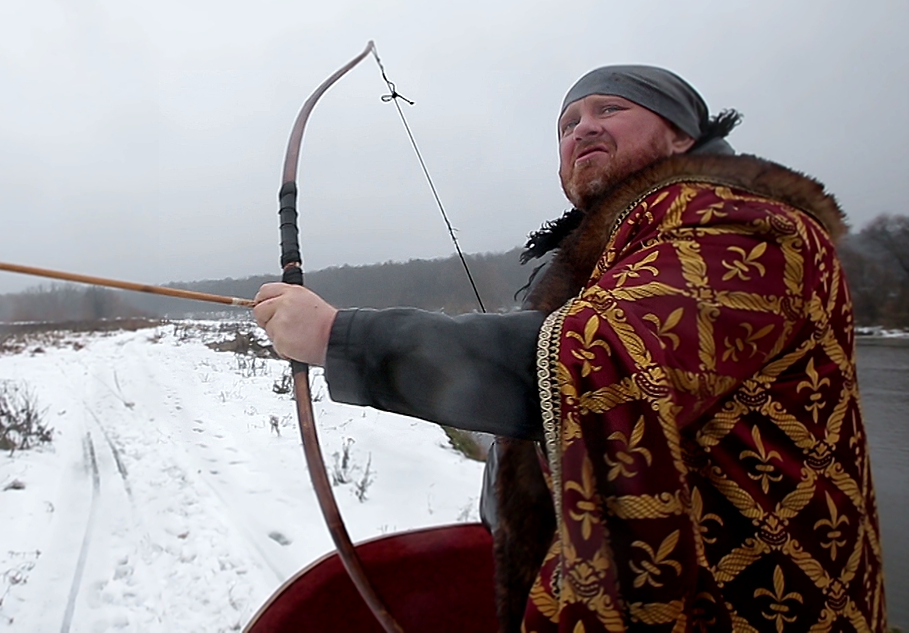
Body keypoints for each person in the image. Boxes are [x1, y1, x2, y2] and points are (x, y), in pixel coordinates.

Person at [254, 66, 886, 632]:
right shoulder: (621, 253)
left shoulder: (748, 228)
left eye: (610, 110)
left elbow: (597, 359)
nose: (583, 128)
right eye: (567, 123)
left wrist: (340, 336)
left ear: (682, 137)